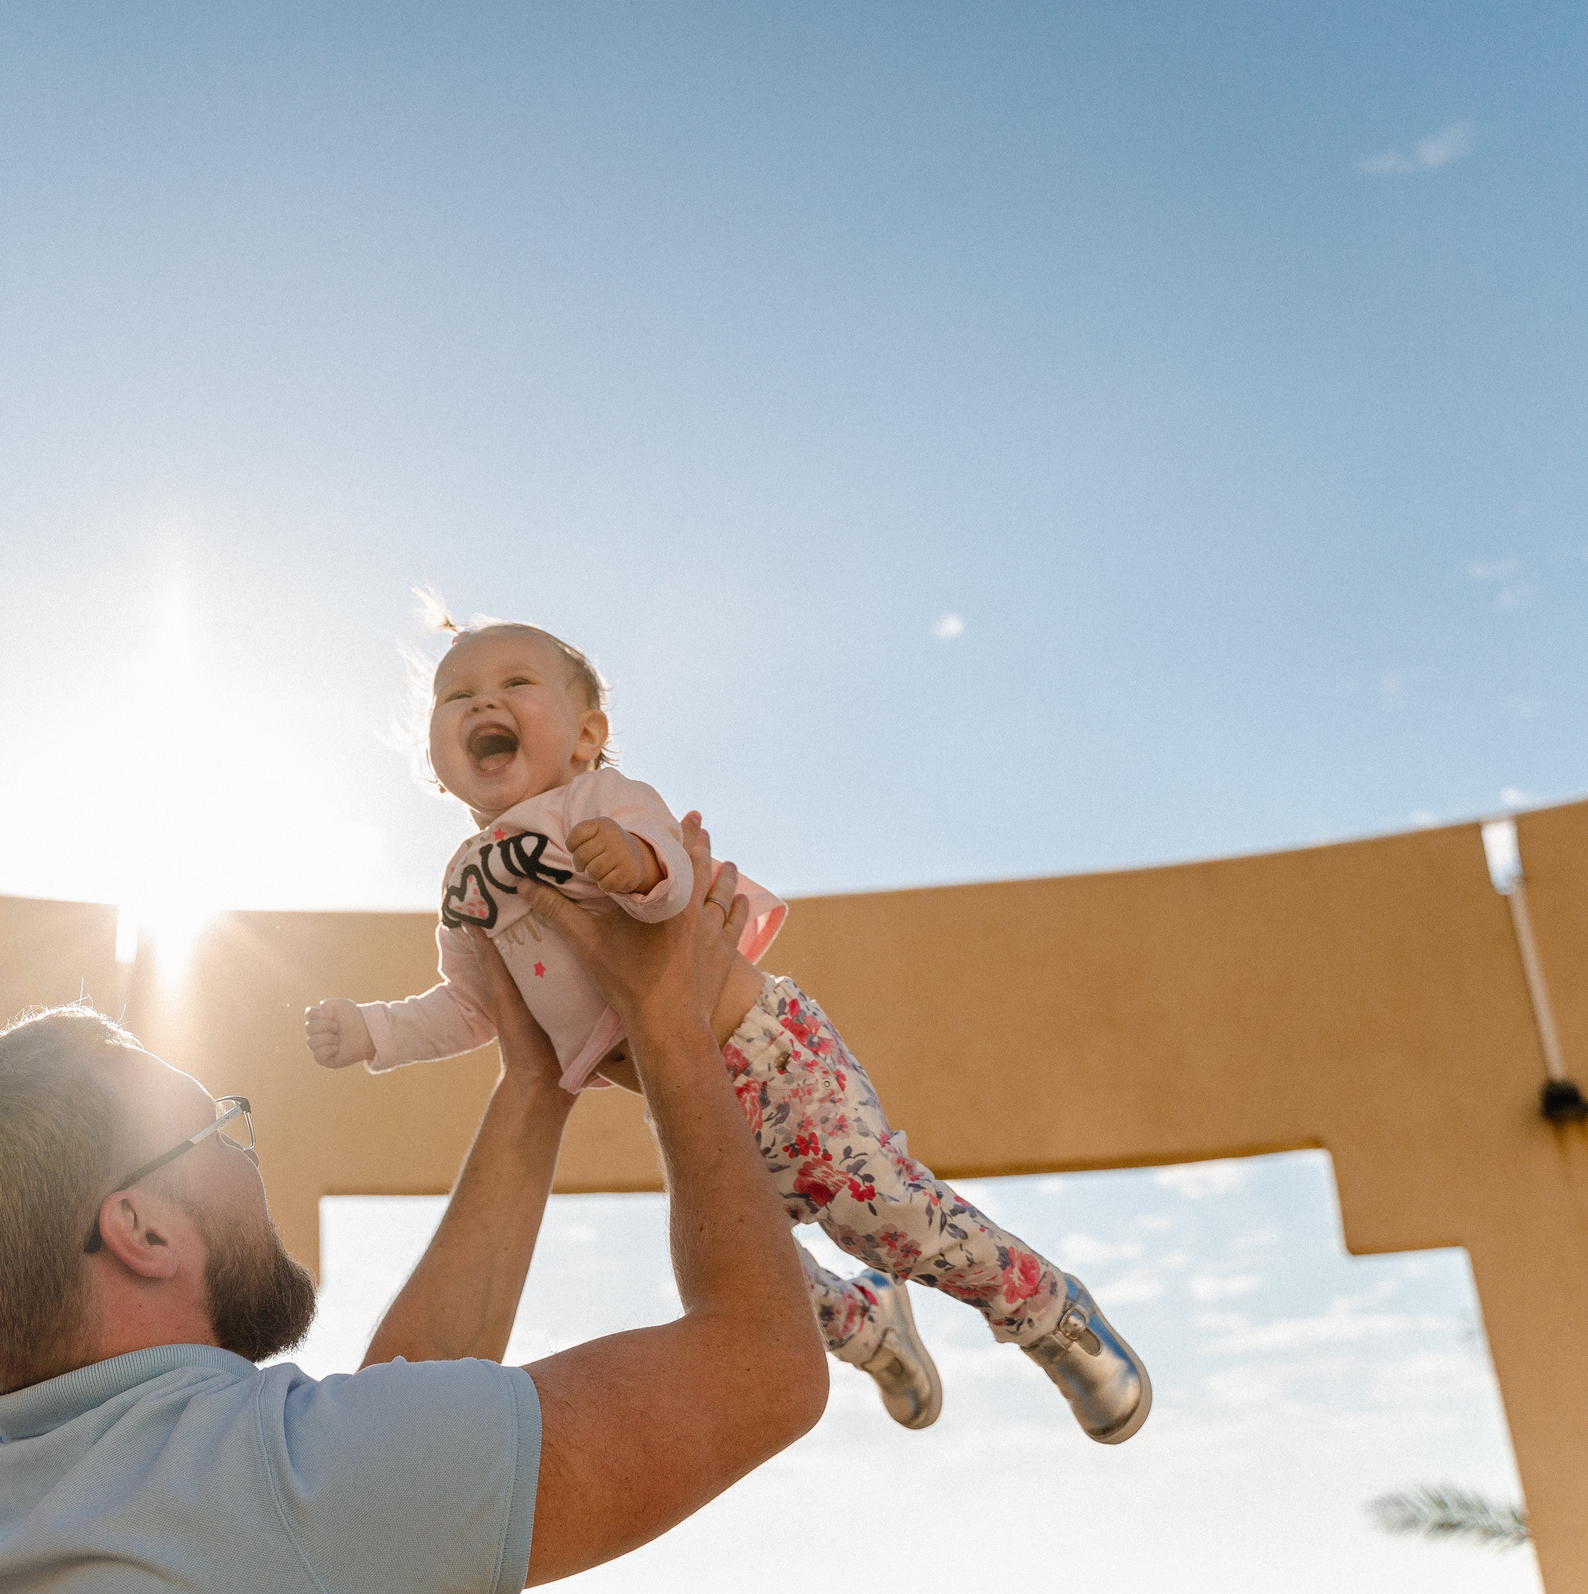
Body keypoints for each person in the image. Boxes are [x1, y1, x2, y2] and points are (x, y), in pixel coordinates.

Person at [0, 817, 832, 1591]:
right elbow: (766, 1367)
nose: (252, 1161)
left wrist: (535, 1087)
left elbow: (380, 1451)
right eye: (219, 1130)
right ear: (143, 1230)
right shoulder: (282, 1488)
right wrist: (668, 1021)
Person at [303, 618, 1150, 1442]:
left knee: (882, 1215)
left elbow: (675, 882)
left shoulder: (596, 802)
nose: (481, 700)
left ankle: (1046, 1309)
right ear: (436, 759)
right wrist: (373, 1032)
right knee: (755, 1272)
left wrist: (633, 864)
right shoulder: (465, 884)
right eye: (456, 694)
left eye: (515, 683)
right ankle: (870, 1330)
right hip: (685, 1096)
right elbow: (473, 1007)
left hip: (769, 1054)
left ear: (587, 734)